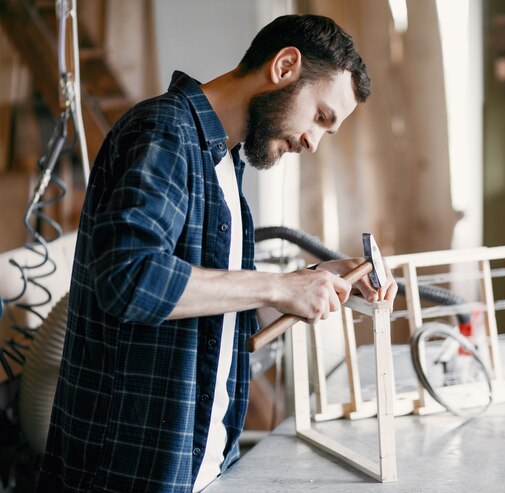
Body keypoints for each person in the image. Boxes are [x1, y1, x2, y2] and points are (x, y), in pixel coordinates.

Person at [38, 14, 397, 493]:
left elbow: (210, 298)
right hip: (126, 475)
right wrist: (281, 286)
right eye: (320, 117)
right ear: (285, 66)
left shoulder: (224, 163)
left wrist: (316, 276)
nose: (313, 142)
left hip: (197, 471)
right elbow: (131, 279)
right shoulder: (163, 133)